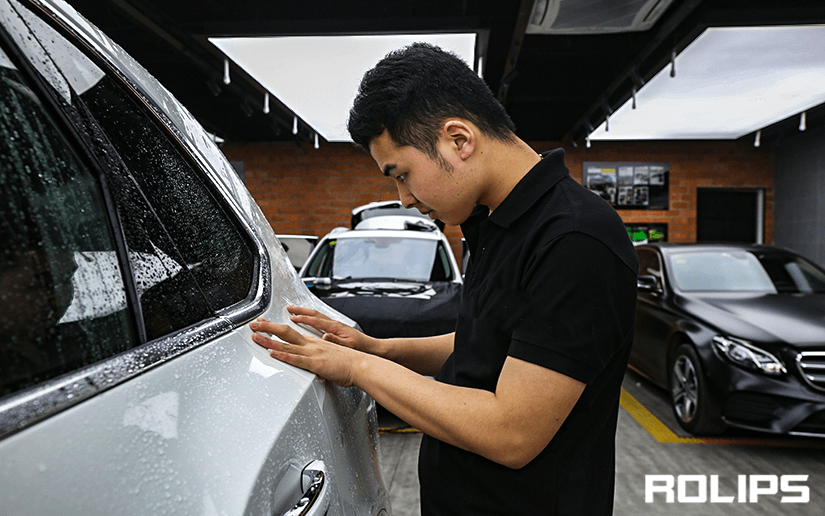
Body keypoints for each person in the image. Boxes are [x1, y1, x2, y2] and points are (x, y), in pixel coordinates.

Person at [250, 42, 638, 515]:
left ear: (459, 139)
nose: (404, 199)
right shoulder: (496, 224)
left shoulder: (575, 240)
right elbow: (490, 343)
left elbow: (511, 432)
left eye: (402, 174)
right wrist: (378, 348)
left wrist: (360, 370)